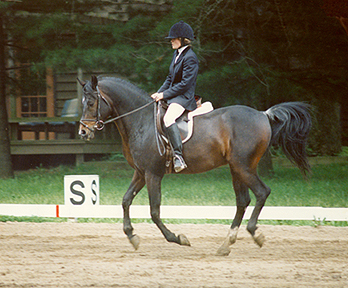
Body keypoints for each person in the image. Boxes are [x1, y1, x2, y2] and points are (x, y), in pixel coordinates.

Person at [151, 20, 199, 173]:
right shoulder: (177, 54)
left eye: (174, 38)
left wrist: (164, 94)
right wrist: (158, 94)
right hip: (174, 96)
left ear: (184, 39)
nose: (171, 41)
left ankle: (178, 156)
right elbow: (170, 79)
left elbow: (185, 84)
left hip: (184, 98)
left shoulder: (190, 57)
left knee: (168, 119)